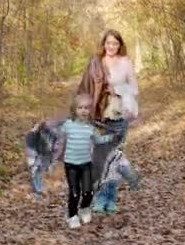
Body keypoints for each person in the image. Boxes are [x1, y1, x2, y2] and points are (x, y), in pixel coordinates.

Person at [77, 29, 142, 213]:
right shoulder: (96, 63)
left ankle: (111, 199)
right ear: (103, 44)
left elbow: (134, 88)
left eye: (115, 43)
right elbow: (84, 88)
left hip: (118, 115)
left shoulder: (125, 62)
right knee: (99, 159)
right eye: (108, 43)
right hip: (99, 117)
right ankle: (99, 198)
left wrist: (119, 89)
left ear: (119, 45)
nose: (111, 47)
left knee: (114, 158)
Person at [59, 93, 119, 229]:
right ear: (74, 110)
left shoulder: (91, 128)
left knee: (88, 192)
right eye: (80, 108)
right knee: (75, 192)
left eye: (86, 108)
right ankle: (72, 216)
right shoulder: (68, 125)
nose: (83, 111)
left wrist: (110, 138)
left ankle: (84, 208)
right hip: (71, 165)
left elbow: (99, 140)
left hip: (86, 164)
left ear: (90, 111)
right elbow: (58, 137)